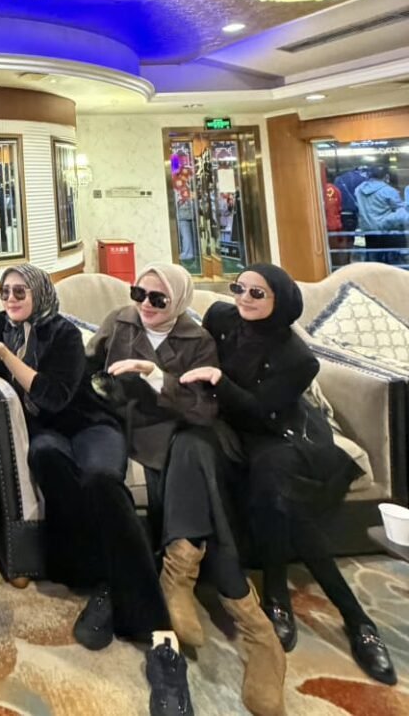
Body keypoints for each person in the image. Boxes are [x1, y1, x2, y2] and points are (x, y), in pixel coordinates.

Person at [0, 263, 192, 714]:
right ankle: (107, 576)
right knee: (46, 459)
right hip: (48, 435)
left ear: (39, 292)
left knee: (100, 480)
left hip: (90, 424)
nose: (10, 299)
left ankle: (160, 639)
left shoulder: (63, 334)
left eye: (20, 291)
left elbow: (53, 396)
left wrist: (6, 356)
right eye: (4, 291)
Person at [181, 263, 397, 687]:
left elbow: (261, 411)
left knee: (278, 499)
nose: (244, 298)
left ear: (280, 300)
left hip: (277, 434)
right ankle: (294, 599)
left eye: (257, 293)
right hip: (229, 428)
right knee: (273, 501)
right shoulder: (220, 318)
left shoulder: (299, 358)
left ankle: (347, 616)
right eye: (239, 288)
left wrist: (218, 379)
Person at [89, 263, 285, 716]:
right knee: (201, 473)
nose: (145, 305)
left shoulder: (197, 340)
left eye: (158, 299)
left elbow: (202, 412)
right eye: (139, 293)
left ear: (177, 301)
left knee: (194, 447)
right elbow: (88, 369)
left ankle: (183, 580)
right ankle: (254, 627)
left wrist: (154, 375)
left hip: (180, 433)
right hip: (138, 434)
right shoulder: (119, 322)